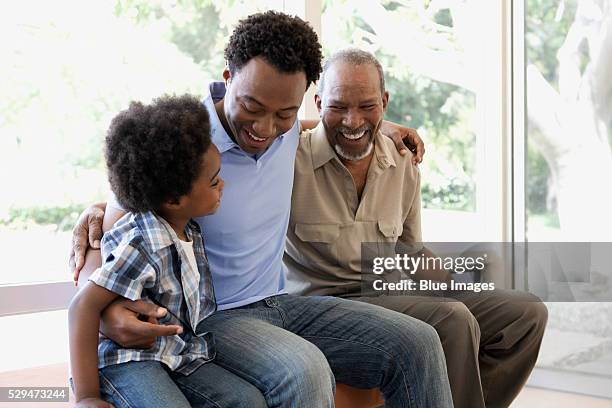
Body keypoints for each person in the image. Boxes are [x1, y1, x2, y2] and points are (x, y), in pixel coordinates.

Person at [70, 11, 453, 408]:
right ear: (227, 79)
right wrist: (105, 312)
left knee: (418, 343)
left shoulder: (287, 131)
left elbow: (323, 123)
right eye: (251, 106)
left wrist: (382, 125)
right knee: (303, 370)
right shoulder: (184, 142)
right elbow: (114, 233)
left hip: (281, 302)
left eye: (284, 113)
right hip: (214, 318)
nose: (266, 129)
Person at [284, 48, 549, 408]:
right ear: (317, 103)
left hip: (388, 295)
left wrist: (458, 290)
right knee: (452, 321)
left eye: (367, 106)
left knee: (525, 313)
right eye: (339, 106)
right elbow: (243, 124)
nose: (352, 120)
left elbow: (411, 252)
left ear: (385, 102)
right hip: (322, 306)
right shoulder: (289, 160)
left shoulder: (402, 161)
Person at [69, 95, 269, 408]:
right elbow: (82, 307)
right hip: (128, 362)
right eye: (214, 181)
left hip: (176, 354)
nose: (223, 187)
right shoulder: (141, 243)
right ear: (174, 199)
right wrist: (87, 397)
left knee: (248, 401)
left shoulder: (188, 228)